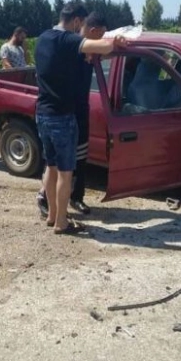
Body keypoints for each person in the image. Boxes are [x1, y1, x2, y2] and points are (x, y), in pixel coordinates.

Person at [34, 3, 126, 234]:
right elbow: (102, 46)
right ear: (76, 21)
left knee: (51, 167)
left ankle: (53, 216)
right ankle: (62, 222)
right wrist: (117, 41)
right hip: (62, 117)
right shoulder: (68, 40)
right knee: (66, 172)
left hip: (43, 113)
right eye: (81, 24)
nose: (81, 28)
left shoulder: (43, 38)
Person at [36, 12, 108, 218]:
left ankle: (75, 198)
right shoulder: (67, 44)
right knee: (61, 167)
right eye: (101, 34)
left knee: (78, 161)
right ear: (90, 29)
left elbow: (106, 53)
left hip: (77, 111)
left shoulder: (82, 46)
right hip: (64, 113)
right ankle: (52, 208)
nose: (102, 38)